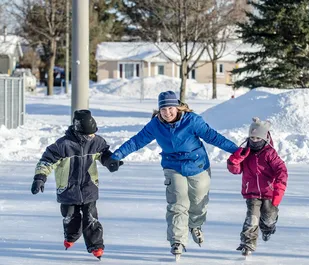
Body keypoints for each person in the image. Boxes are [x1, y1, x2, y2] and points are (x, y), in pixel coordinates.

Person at [111, 91, 238, 257]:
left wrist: (238, 151)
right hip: (173, 167)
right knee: (177, 204)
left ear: (177, 107)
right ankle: (177, 240)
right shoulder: (155, 125)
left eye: (170, 108)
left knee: (199, 202)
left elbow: (213, 137)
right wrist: (116, 156)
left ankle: (195, 225)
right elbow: (136, 141)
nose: (167, 112)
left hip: (198, 165)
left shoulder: (192, 121)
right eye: (163, 109)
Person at [31, 109, 123, 260]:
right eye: (88, 134)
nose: (92, 136)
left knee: (91, 218)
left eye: (93, 133)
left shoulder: (96, 141)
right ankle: (71, 236)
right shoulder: (63, 145)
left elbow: (104, 153)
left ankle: (96, 246)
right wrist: (40, 177)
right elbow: (46, 161)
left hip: (89, 187)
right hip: (67, 190)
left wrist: (111, 162)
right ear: (79, 131)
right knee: (70, 217)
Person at [227, 117, 288, 256]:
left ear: (265, 138)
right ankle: (247, 243)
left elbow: (282, 171)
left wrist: (279, 190)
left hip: (269, 192)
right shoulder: (245, 152)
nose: (254, 141)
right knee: (252, 219)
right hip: (252, 192)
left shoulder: (270, 154)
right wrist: (235, 160)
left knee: (268, 217)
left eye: (257, 138)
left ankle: (268, 228)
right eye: (252, 137)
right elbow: (235, 170)